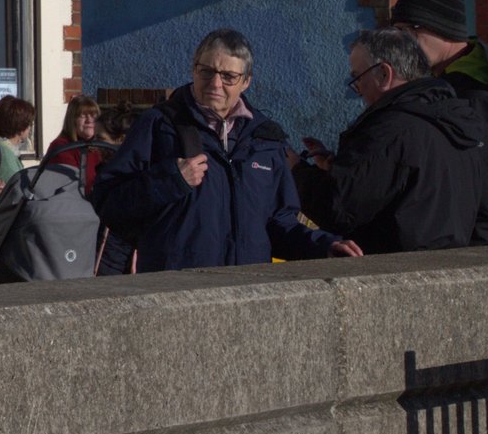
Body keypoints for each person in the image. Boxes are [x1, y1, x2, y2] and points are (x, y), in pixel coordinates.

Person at [91, 29, 363, 271]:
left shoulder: (265, 140)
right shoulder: (159, 126)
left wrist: (323, 246)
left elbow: (279, 224)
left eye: (228, 76)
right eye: (206, 71)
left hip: (248, 291)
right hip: (177, 292)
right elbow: (109, 204)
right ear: (193, 70)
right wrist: (169, 181)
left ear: (246, 81)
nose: (215, 84)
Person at [294, 26, 484, 254]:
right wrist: (337, 168)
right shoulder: (449, 120)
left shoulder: (391, 130)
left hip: (398, 267)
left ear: (384, 74)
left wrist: (294, 170)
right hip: (447, 263)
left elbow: (339, 209)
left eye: (358, 78)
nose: (358, 90)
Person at [390, 0, 488, 245]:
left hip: (480, 255)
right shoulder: (448, 85)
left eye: (409, 31)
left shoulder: (478, 97)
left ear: (440, 27)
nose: (403, 45)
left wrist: (478, 257)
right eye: (397, 33)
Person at [46, 97, 111, 194]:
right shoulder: (62, 147)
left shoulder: (100, 146)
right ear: (72, 120)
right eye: (83, 115)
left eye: (93, 115)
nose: (89, 120)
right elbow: (71, 185)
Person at [0, 95, 38, 185]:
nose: (30, 128)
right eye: (29, 124)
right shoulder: (6, 158)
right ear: (21, 127)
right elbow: (15, 188)